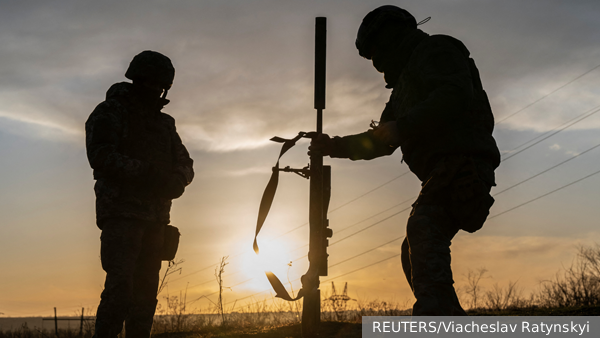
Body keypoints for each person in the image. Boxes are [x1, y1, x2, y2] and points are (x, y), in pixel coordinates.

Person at [309, 6, 500, 315]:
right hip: (441, 171)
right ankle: (446, 317)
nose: (376, 62)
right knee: (412, 250)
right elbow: (381, 143)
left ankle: (434, 316)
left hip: (463, 162)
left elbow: (454, 94)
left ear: (391, 38)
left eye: (376, 52)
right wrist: (332, 146)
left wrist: (404, 126)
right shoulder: (402, 89)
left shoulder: (436, 49)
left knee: (423, 227)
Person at [85, 50, 194, 337]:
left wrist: (178, 181)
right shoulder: (111, 111)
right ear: (138, 79)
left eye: (160, 85)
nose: (156, 89)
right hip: (122, 215)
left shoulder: (164, 124)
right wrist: (147, 173)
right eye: (151, 83)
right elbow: (102, 155)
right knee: (120, 290)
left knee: (145, 296)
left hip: (155, 220)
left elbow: (185, 162)